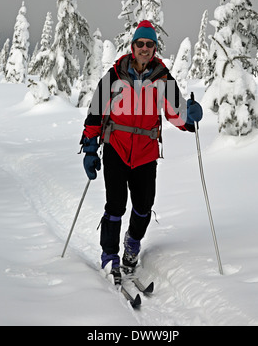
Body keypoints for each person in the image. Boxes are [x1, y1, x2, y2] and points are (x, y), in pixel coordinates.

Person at [80, 20, 203, 283]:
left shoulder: (164, 79)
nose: (144, 48)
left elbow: (177, 115)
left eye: (150, 44)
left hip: (146, 152)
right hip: (116, 147)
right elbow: (94, 115)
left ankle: (133, 244)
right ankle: (109, 256)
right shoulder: (114, 76)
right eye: (140, 43)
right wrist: (90, 149)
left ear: (155, 48)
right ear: (132, 46)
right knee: (115, 205)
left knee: (144, 206)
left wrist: (191, 117)